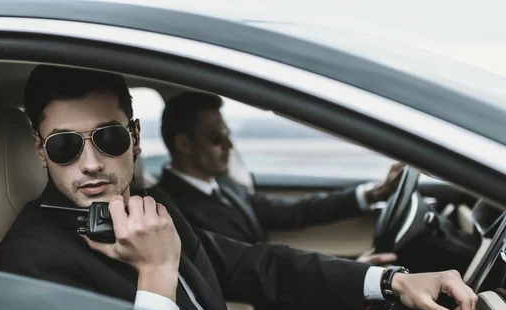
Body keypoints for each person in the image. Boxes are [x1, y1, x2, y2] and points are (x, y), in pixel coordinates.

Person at [0, 65, 499, 310]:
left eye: (109, 138)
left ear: (136, 139)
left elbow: (255, 265)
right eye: (64, 147)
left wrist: (390, 281)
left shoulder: (151, 209)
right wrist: (157, 273)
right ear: (39, 149)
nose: (92, 162)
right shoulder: (27, 261)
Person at [157, 91, 401, 264]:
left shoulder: (223, 185)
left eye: (227, 133)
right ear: (184, 144)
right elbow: (250, 268)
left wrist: (372, 194)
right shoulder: (172, 209)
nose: (229, 145)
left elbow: (297, 211)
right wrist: (352, 274)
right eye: (217, 138)